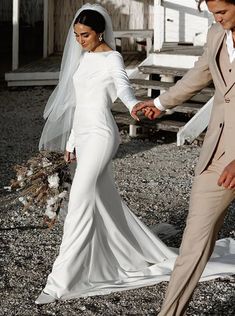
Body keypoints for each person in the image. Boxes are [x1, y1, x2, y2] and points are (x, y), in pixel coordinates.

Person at [35, 2, 235, 308]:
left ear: (100, 32)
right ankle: (124, 252)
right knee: (100, 201)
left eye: (85, 34)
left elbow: (124, 88)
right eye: (76, 35)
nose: (80, 41)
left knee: (78, 201)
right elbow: (79, 103)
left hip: (102, 135)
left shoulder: (112, 58)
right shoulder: (83, 60)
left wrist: (137, 107)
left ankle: (59, 280)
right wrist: (72, 141)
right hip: (84, 136)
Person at [132, 0, 235, 315]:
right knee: (193, 243)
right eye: (212, 12)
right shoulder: (216, 34)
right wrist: (161, 104)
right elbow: (199, 75)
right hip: (218, 153)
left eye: (223, 12)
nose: (216, 18)